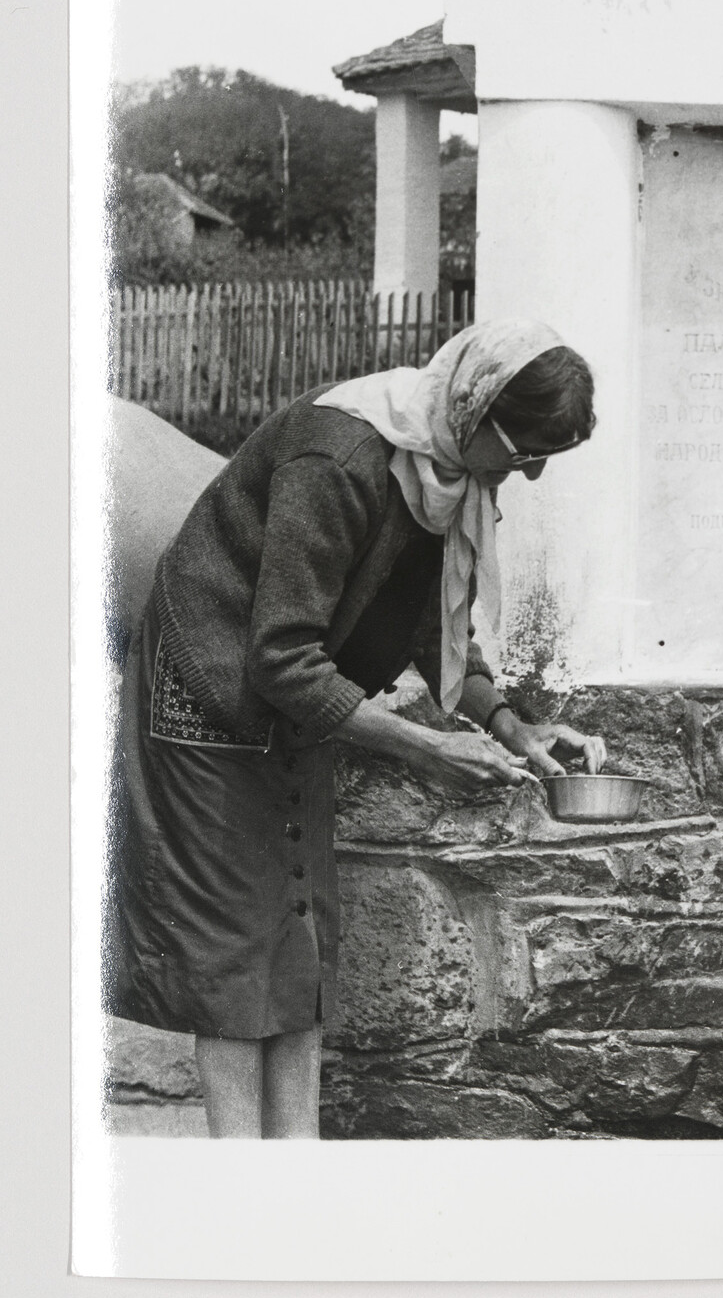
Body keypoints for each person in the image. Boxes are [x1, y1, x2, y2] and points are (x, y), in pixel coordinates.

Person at [106, 318, 607, 1139]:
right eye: (525, 454)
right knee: (233, 947)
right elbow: (279, 657)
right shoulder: (337, 458)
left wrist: (514, 728)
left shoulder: (442, 473)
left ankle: (297, 1160)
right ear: (476, 409)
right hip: (207, 694)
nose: (533, 474)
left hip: (297, 693)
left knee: (299, 931)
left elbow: (429, 627)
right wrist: (424, 748)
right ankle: (241, 1175)